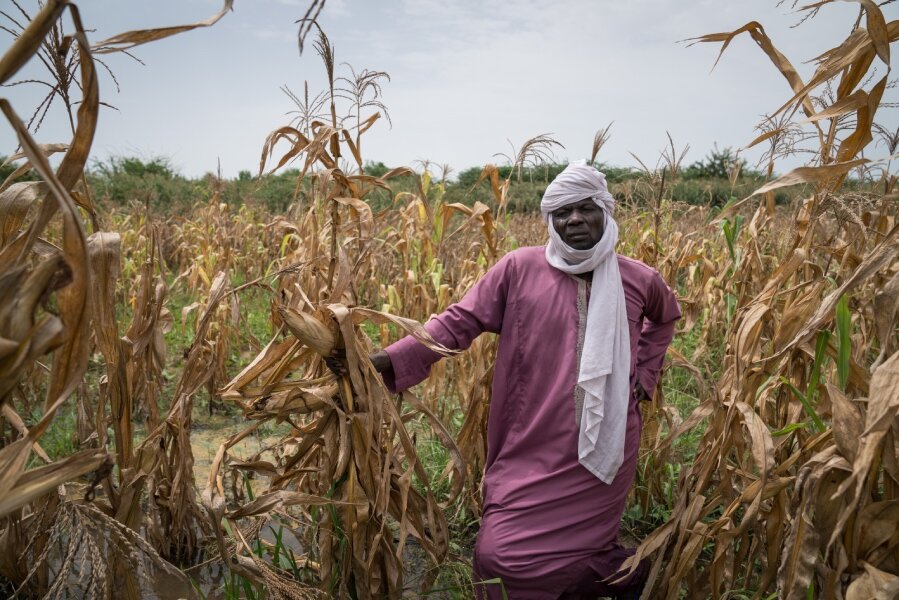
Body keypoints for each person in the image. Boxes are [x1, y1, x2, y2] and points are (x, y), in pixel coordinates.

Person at [369, 161, 681, 599]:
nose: (574, 219)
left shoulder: (638, 278)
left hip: (606, 439)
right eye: (561, 212)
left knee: (588, 546)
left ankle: (608, 577)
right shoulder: (519, 269)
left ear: (605, 212)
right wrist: (389, 362)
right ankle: (614, 576)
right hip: (529, 436)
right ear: (549, 221)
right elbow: (459, 322)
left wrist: (644, 376)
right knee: (500, 555)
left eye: (585, 208)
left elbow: (665, 319)